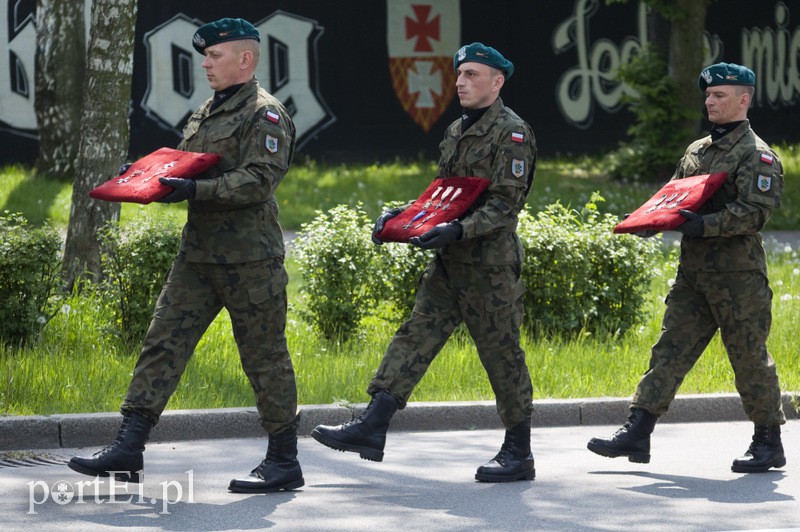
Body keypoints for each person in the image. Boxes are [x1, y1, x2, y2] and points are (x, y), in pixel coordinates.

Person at [69, 18, 303, 493]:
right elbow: (183, 162)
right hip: (197, 255)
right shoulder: (206, 111)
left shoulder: (266, 114)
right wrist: (143, 175)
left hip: (249, 259)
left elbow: (259, 180)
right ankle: (128, 447)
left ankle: (283, 460)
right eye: (205, 55)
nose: (205, 63)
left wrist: (195, 189)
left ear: (245, 59)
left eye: (214, 55)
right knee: (163, 343)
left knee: (264, 358)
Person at [311, 43, 538, 482]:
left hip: (489, 267)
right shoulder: (456, 130)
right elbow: (444, 196)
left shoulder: (512, 133)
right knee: (416, 335)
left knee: (501, 355)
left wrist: (457, 230)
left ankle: (518, 452)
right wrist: (401, 218)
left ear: (497, 81)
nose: (460, 82)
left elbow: (505, 207)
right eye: (459, 74)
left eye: (472, 74)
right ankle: (372, 426)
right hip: (450, 264)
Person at [587, 62, 786, 473]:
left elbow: (755, 214)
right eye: (708, 95)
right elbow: (672, 198)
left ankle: (768, 441)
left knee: (749, 357)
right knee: (669, 350)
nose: (710, 101)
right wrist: (646, 222)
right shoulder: (697, 151)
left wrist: (704, 224)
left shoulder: (757, 155)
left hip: (738, 278)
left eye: (719, 95)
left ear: (743, 100)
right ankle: (637, 430)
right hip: (694, 274)